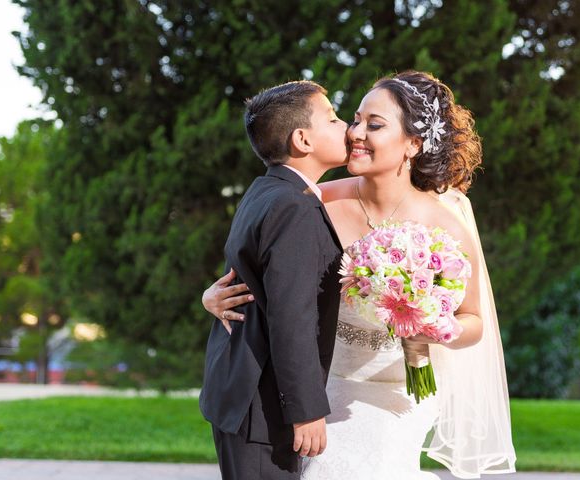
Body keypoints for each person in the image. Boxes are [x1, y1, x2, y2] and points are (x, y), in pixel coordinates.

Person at [202, 71, 516, 479]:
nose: (356, 133)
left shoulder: (446, 225)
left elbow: (474, 321)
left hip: (396, 392)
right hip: (322, 384)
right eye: (354, 119)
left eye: (375, 124)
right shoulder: (316, 201)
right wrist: (211, 297)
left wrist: (433, 327)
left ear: (413, 144)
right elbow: (263, 269)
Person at [199, 80, 349, 480]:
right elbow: (291, 315)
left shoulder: (266, 190)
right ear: (303, 139)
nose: (345, 125)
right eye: (333, 119)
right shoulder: (293, 206)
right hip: (262, 406)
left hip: (241, 393)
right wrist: (305, 411)